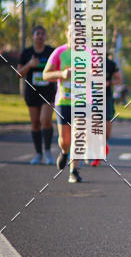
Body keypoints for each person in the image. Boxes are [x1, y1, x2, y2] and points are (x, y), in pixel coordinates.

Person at [42, 24, 83, 183]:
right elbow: (46, 75)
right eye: (73, 32)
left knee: (78, 134)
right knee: (65, 140)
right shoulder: (59, 52)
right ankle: (65, 152)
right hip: (64, 101)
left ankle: (74, 170)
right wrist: (62, 73)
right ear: (67, 33)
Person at [17, 25, 56, 164]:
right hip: (32, 93)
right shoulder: (27, 53)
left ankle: (48, 151)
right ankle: (38, 154)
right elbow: (18, 74)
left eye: (42, 34)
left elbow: (59, 68)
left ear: (45, 37)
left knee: (45, 120)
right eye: (37, 34)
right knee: (35, 123)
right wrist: (30, 65)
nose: (40, 36)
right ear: (33, 36)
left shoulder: (51, 51)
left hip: (48, 92)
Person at [90, 54, 122, 166]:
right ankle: (97, 155)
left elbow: (119, 79)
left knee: (106, 132)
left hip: (106, 99)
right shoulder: (86, 62)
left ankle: (104, 145)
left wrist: (109, 83)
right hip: (92, 99)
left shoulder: (110, 64)